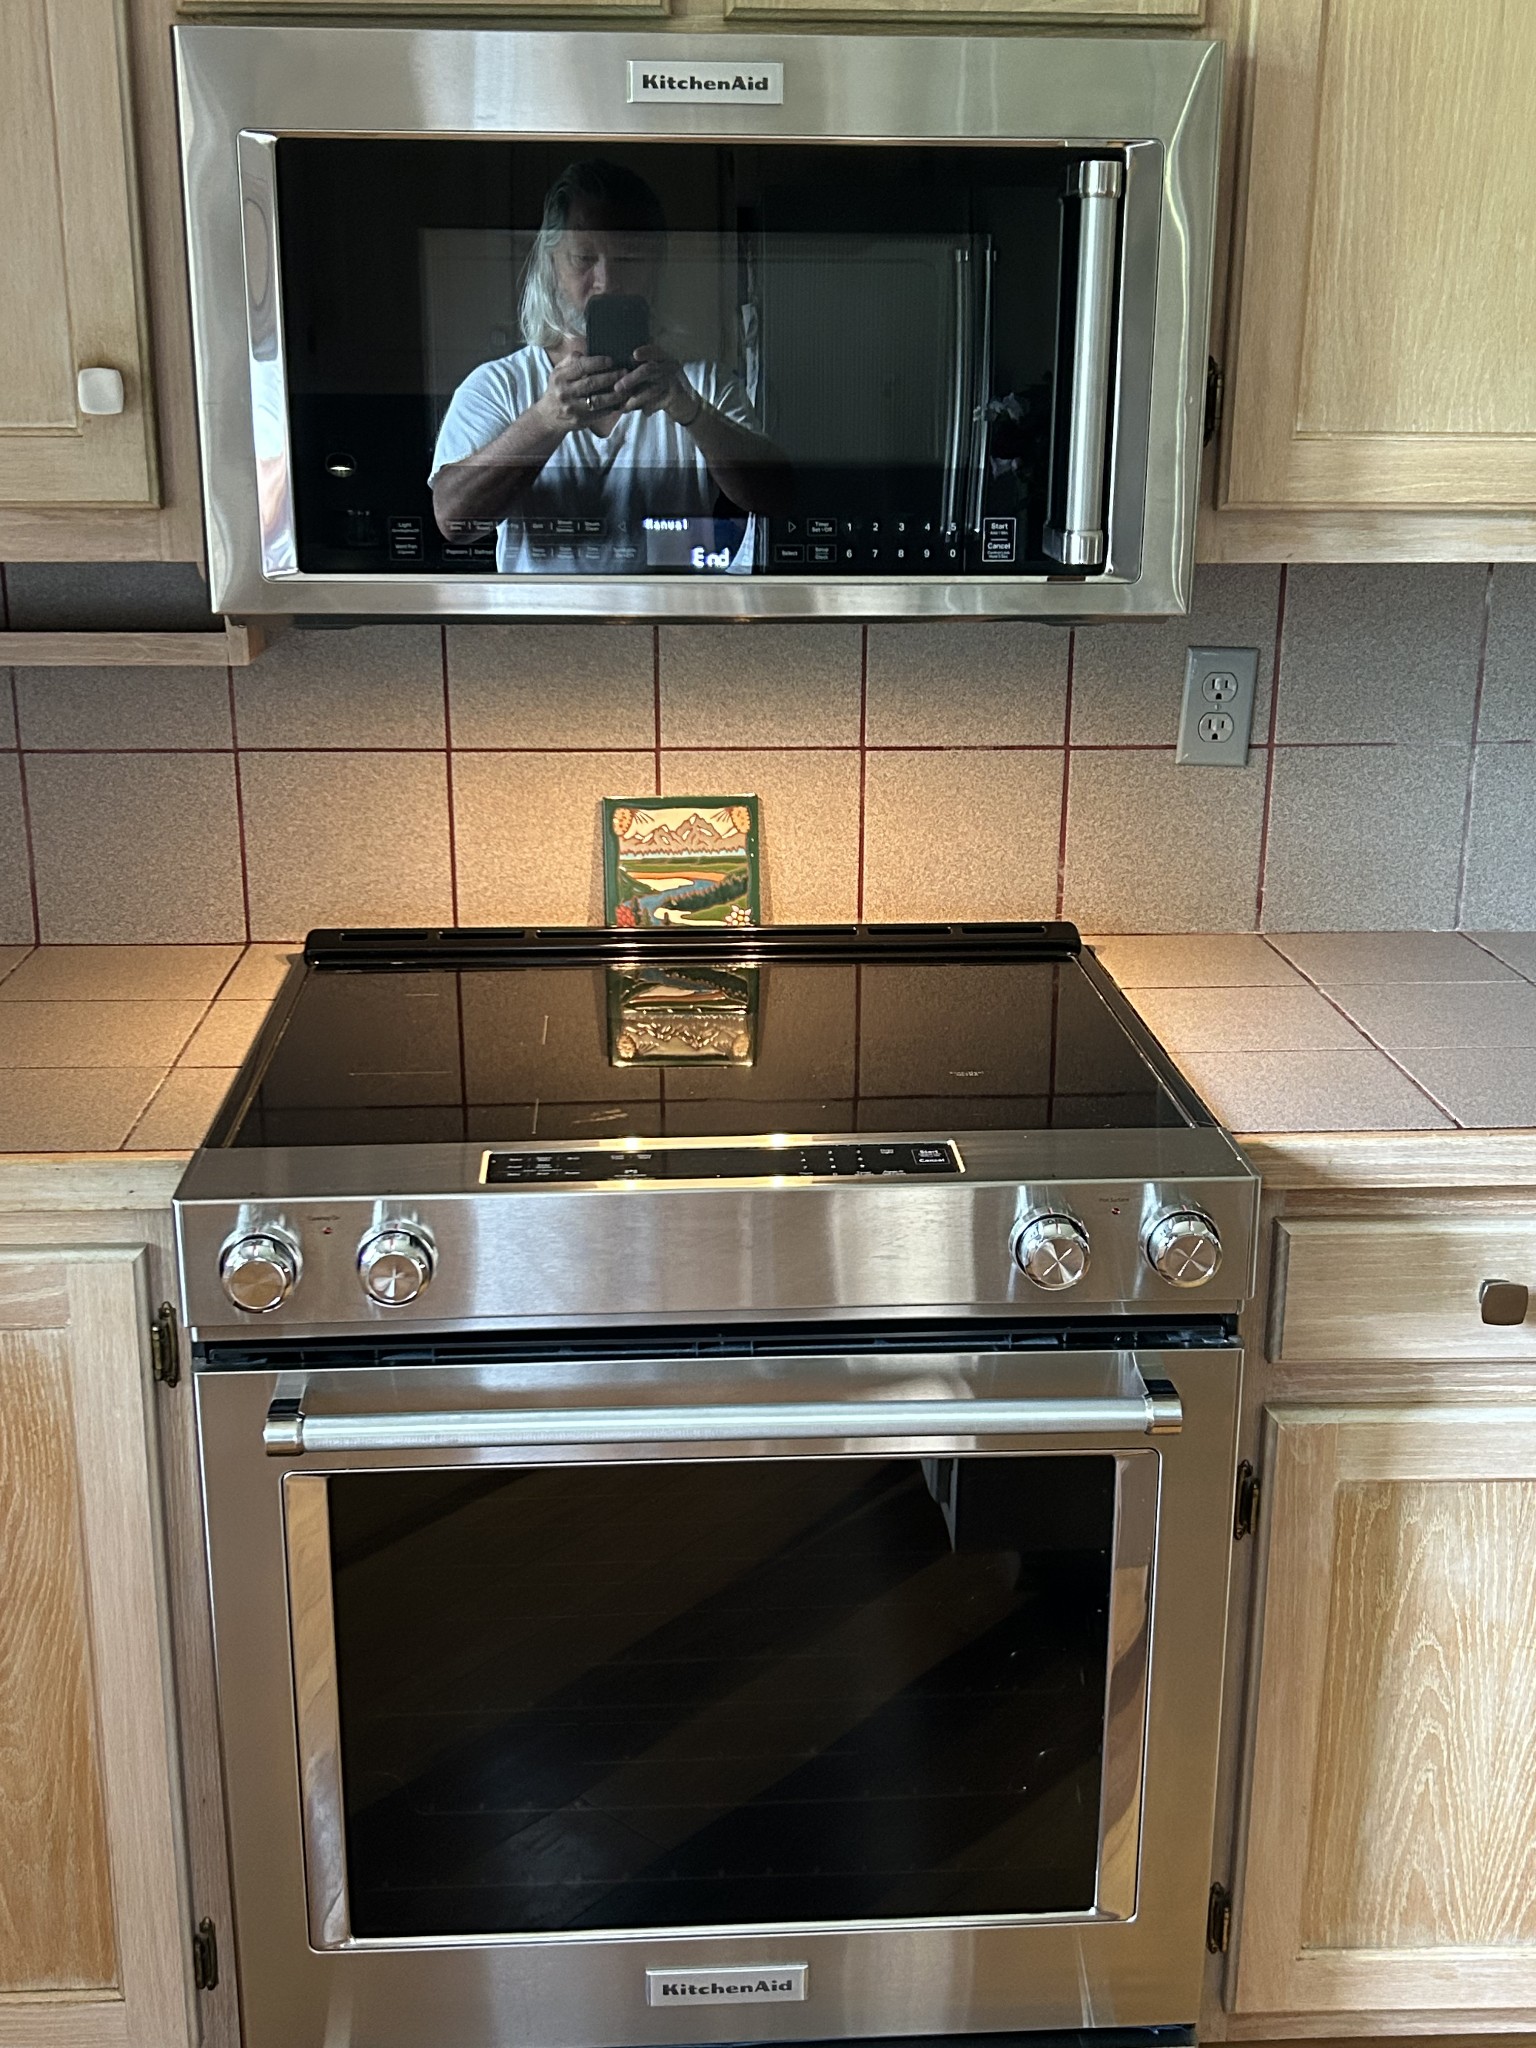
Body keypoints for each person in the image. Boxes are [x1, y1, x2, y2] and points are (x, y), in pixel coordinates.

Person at [430, 159, 789, 572]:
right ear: (551, 267)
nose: (606, 281)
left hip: (675, 632)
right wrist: (544, 420)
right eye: (583, 258)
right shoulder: (498, 386)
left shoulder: (702, 383)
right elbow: (454, 519)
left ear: (655, 270)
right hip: (537, 633)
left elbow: (776, 499)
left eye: (630, 259)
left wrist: (692, 411)